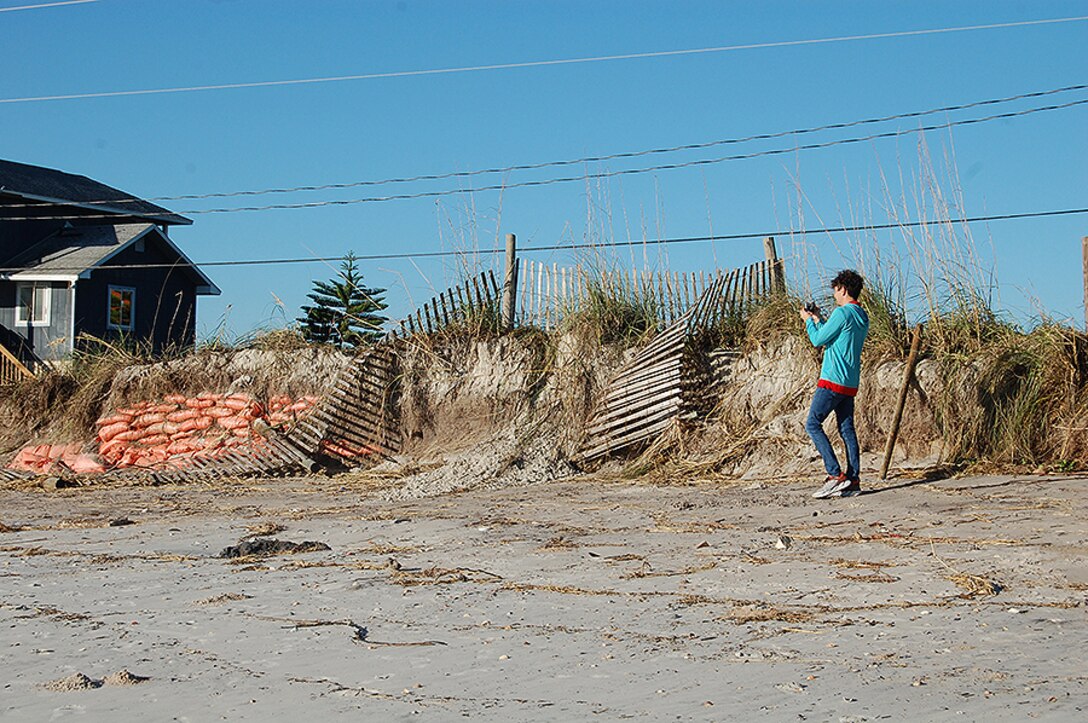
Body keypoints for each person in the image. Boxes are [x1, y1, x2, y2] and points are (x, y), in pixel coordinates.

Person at [800, 269, 869, 499]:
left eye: (836, 290)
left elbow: (818, 340)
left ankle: (834, 474)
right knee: (847, 429)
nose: (834, 295)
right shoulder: (861, 315)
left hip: (831, 379)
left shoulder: (842, 313)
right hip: (849, 382)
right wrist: (819, 319)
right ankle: (853, 479)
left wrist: (809, 322)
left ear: (843, 289)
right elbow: (835, 336)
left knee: (812, 424)